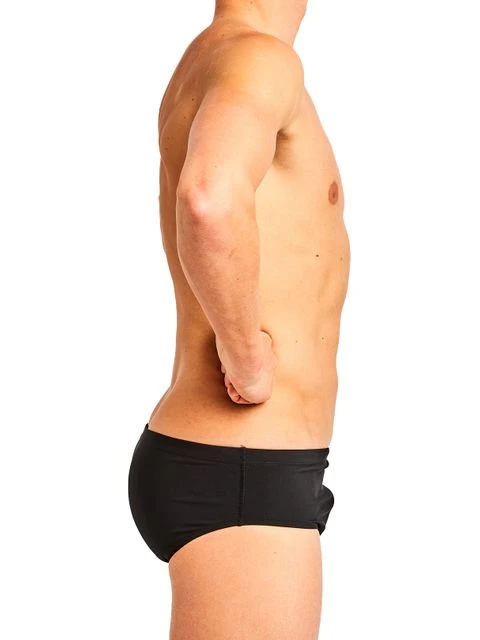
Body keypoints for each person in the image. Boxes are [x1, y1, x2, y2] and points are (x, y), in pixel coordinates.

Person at [128, 0, 351, 637]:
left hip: (244, 465)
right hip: (242, 468)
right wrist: (246, 356)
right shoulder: (258, 58)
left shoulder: (221, 54)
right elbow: (207, 200)